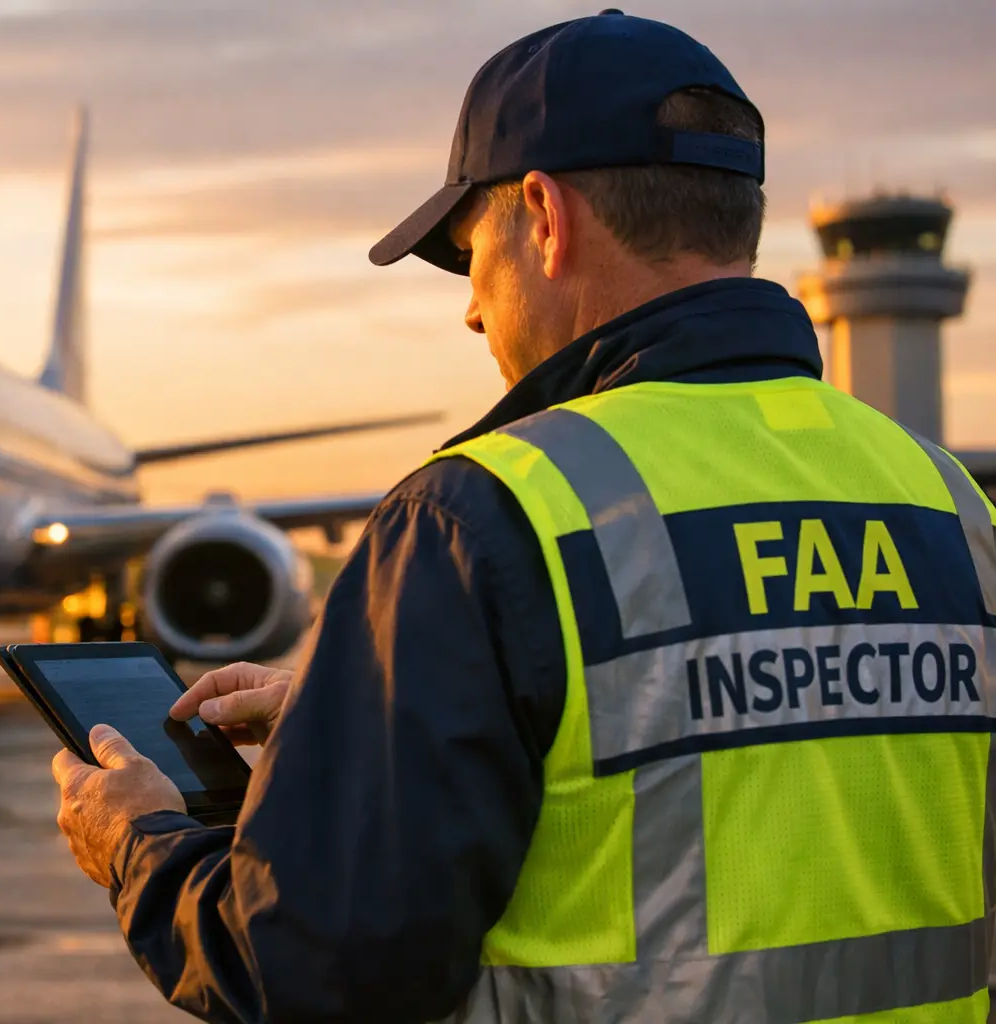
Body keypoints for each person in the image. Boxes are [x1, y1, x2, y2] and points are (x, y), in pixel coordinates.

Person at [52, 10, 996, 1023]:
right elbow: (776, 760)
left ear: (544, 218)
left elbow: (316, 971)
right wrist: (402, 719)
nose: (469, 311)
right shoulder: (946, 499)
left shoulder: (485, 513)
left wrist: (143, 844)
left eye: (469, 255)